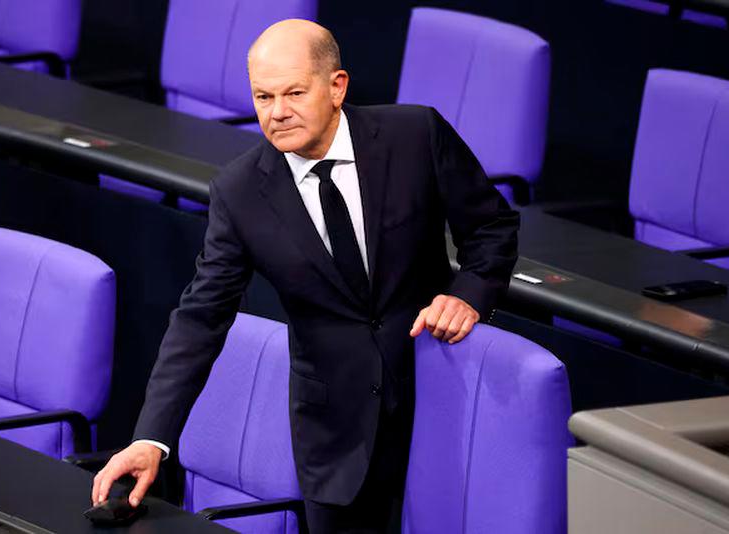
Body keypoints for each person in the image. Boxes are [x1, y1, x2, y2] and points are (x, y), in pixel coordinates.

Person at [91, 19, 519, 533]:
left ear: (337, 86)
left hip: (438, 402)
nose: (277, 112)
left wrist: (469, 294)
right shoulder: (240, 191)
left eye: (294, 92)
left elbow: (492, 226)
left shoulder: (415, 135)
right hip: (335, 438)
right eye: (263, 96)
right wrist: (151, 438)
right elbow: (201, 317)